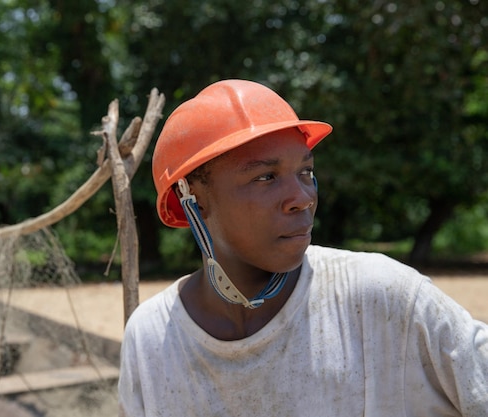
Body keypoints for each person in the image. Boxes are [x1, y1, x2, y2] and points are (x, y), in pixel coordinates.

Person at [117, 79, 488, 416]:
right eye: (265, 177)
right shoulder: (151, 338)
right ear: (193, 199)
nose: (302, 197)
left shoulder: (385, 299)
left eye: (306, 173)